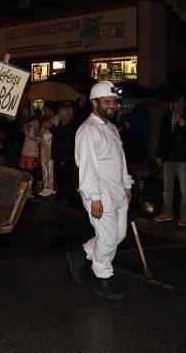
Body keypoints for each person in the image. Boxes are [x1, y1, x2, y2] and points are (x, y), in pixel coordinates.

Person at [65, 81, 132, 301]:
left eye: (114, 101)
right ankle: (103, 278)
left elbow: (120, 160)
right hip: (99, 194)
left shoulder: (111, 128)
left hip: (117, 192)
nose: (112, 105)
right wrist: (94, 198)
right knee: (107, 238)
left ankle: (80, 254)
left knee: (117, 235)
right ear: (94, 103)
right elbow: (87, 168)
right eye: (107, 101)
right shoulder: (87, 131)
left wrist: (127, 184)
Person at [154, 94, 186, 226]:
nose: (179, 105)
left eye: (181, 102)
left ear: (184, 103)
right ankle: (167, 212)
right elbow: (162, 137)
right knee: (167, 188)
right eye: (176, 102)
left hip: (183, 158)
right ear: (172, 103)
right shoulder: (166, 117)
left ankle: (184, 215)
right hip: (168, 157)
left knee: (185, 189)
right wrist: (159, 155)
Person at [52, 104, 79, 206]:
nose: (58, 113)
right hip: (58, 156)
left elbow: (69, 145)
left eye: (60, 112)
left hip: (63, 158)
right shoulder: (62, 125)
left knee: (65, 178)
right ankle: (61, 196)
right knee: (59, 177)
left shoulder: (69, 128)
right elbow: (58, 137)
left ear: (65, 113)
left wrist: (64, 159)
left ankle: (66, 198)